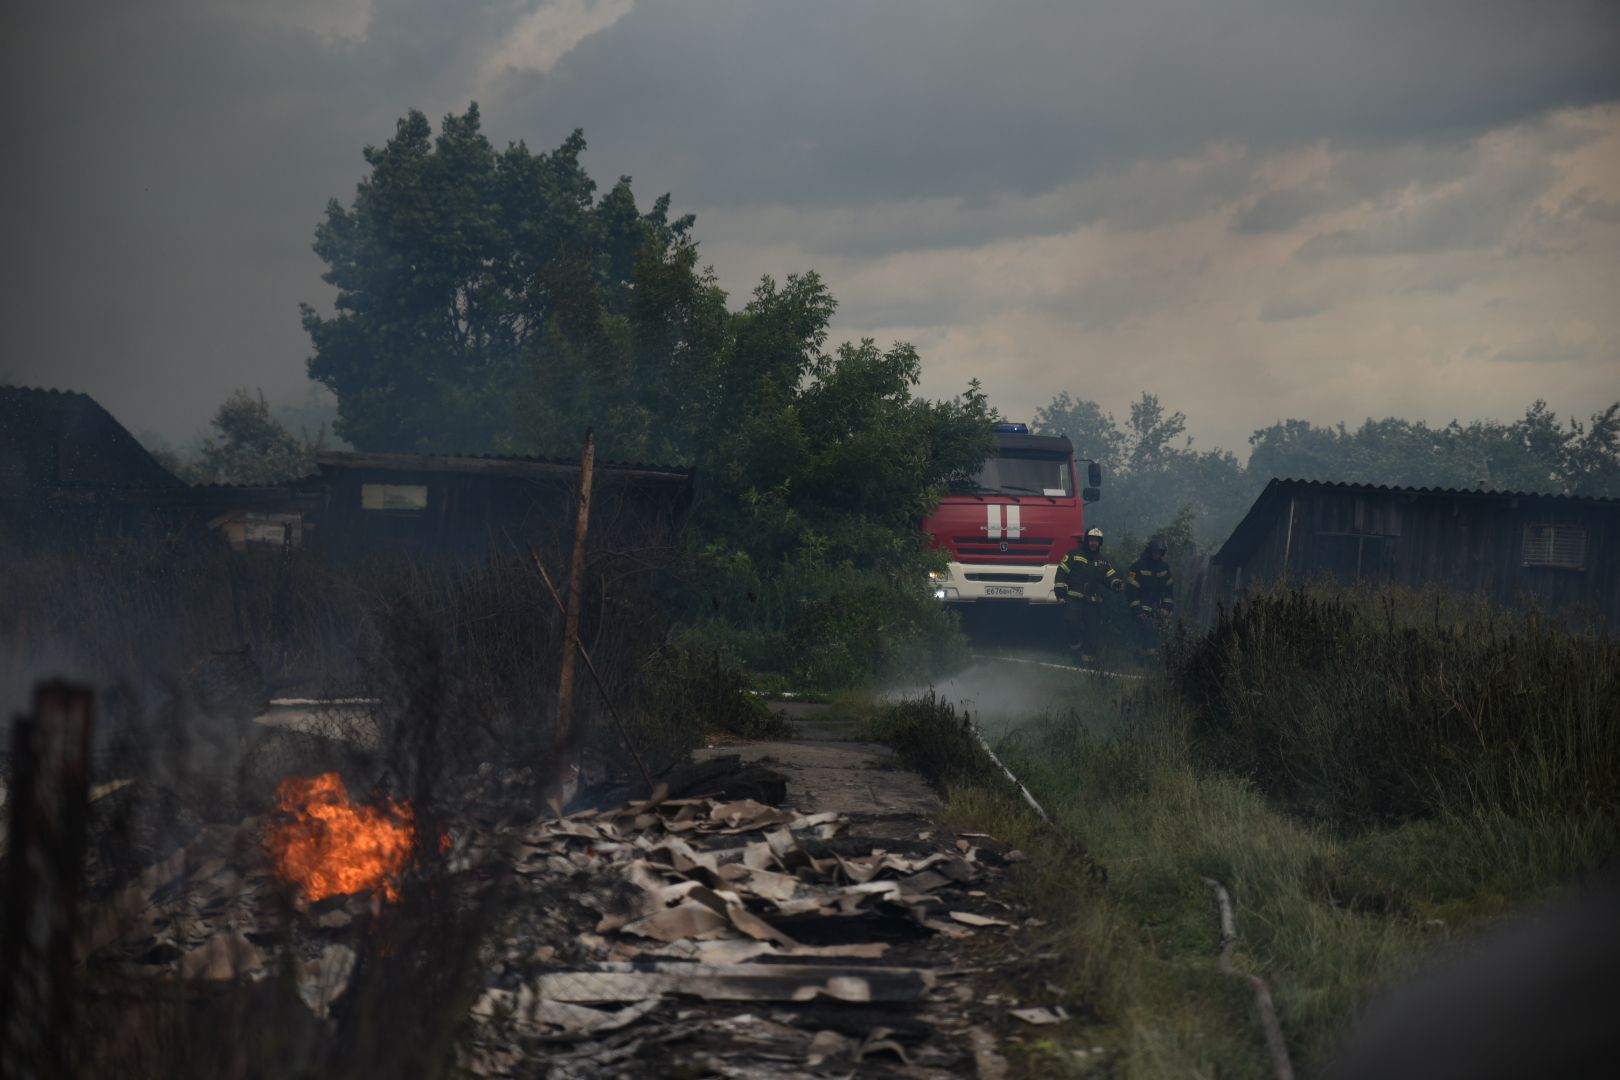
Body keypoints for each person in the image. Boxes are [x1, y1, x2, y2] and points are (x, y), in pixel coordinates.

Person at [1054, 526, 1125, 667]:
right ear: (1086, 541)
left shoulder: (1103, 562)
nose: (1094, 543)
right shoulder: (1074, 555)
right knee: (1071, 623)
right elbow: (1061, 572)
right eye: (1091, 540)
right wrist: (1060, 592)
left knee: (1093, 632)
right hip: (1074, 599)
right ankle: (1076, 648)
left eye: (1097, 541)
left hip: (1093, 602)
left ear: (1100, 543)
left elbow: (1111, 577)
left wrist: (1116, 583)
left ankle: (1089, 663)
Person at [1127, 537, 1175, 657]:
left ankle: (1156, 657)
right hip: (1142, 605)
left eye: (1159, 553)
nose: (1156, 555)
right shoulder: (1136, 567)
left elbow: (1169, 590)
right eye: (1155, 552)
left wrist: (1166, 607)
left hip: (1158, 605)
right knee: (1146, 630)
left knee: (1163, 631)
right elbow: (1130, 590)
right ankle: (1144, 658)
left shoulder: (1164, 567)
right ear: (1150, 551)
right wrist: (1137, 610)